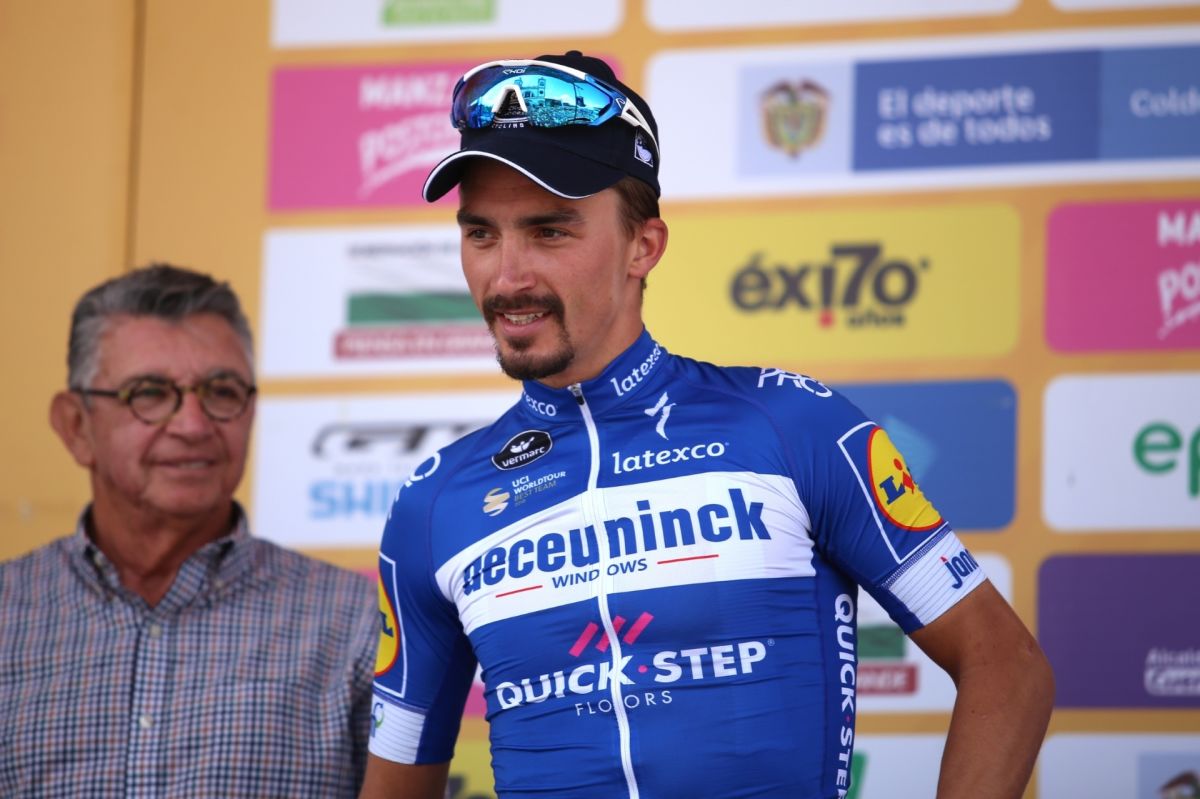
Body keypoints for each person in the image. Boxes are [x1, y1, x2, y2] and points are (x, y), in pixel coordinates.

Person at [360, 52, 1054, 799]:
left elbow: (1007, 667)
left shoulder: (791, 425)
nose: (507, 276)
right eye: (481, 234)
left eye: (549, 231)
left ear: (644, 246)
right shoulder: (434, 504)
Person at [0, 264, 378, 797]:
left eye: (221, 391)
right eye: (150, 393)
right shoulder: (8, 616)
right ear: (76, 426)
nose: (194, 425)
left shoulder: (353, 623)